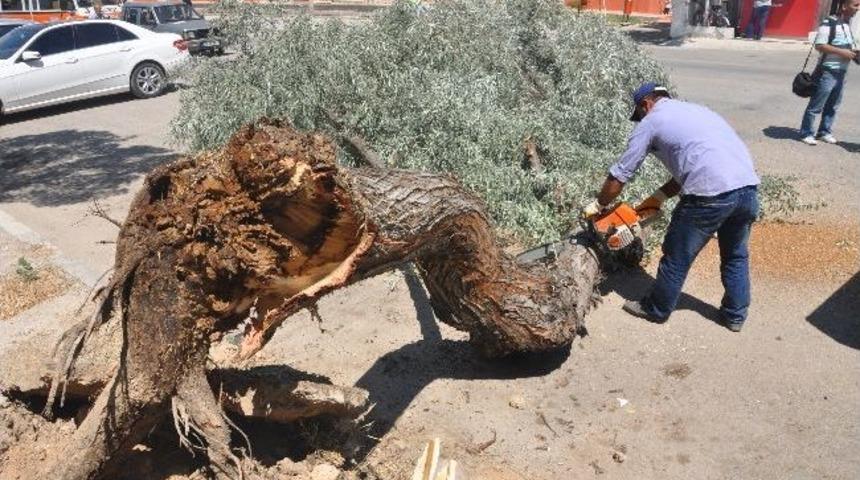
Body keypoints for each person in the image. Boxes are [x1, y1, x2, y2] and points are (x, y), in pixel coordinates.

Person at [582, 83, 761, 332]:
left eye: (640, 114)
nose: (640, 119)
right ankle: (735, 315)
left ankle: (656, 308)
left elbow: (620, 175)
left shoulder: (651, 122)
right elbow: (700, 162)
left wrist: (599, 204)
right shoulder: (699, 112)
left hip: (708, 196)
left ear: (645, 105)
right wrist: (658, 197)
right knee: (735, 255)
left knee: (676, 256)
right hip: (747, 189)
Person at [799, 0, 858, 146]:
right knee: (816, 105)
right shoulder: (829, 22)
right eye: (855, 5)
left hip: (841, 73)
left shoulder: (846, 25)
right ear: (844, 6)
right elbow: (820, 45)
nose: (858, 9)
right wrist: (842, 52)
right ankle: (806, 132)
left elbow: (846, 47)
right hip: (827, 72)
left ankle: (824, 132)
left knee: (833, 105)